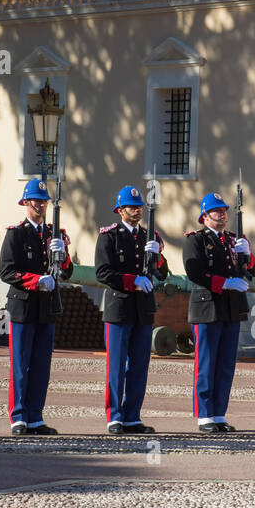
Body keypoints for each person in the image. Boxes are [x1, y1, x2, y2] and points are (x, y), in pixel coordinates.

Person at [0, 178, 73, 436]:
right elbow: (7, 272)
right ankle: (19, 416)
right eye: (36, 201)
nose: (41, 205)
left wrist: (62, 253)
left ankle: (35, 416)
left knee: (42, 364)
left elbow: (67, 271)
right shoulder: (16, 234)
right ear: (25, 203)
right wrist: (36, 280)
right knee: (21, 364)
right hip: (23, 307)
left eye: (44, 201)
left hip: (46, 308)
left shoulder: (55, 234)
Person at [183, 191, 255, 433]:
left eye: (224, 210)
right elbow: (194, 271)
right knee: (206, 363)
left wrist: (248, 254)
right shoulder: (195, 240)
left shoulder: (233, 240)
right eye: (217, 211)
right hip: (207, 307)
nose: (222, 214)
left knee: (226, 364)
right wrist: (224, 283)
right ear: (205, 216)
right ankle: (204, 414)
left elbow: (254, 270)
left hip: (231, 308)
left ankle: (218, 413)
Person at [95, 185, 169, 435]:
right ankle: (115, 416)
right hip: (119, 308)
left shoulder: (150, 237)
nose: (136, 212)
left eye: (139, 208)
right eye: (132, 208)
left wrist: (157, 256)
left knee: (139, 366)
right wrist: (132, 280)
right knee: (116, 367)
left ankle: (132, 415)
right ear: (120, 210)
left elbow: (162, 272)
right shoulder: (109, 236)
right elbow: (103, 272)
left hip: (143, 310)